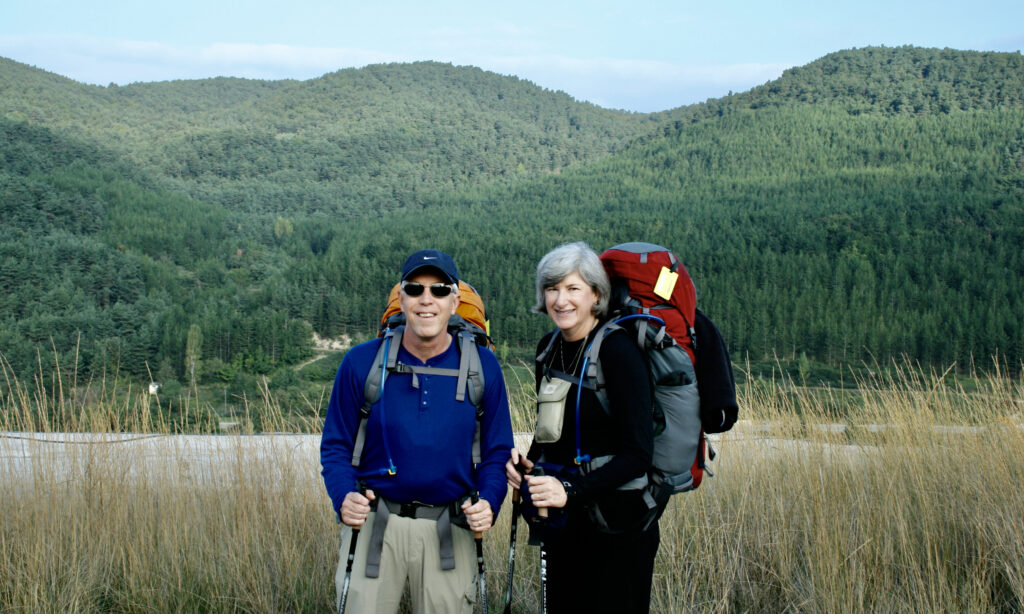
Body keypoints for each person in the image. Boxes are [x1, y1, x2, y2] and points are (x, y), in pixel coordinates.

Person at [321, 249, 514, 613]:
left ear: (455, 301)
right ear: (402, 297)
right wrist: (343, 495)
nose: (427, 300)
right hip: (374, 526)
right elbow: (335, 446)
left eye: (440, 290)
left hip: (450, 527)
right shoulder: (361, 362)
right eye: (415, 289)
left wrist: (489, 501)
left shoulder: (482, 366)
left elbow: (497, 452)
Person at [506, 241, 659, 613]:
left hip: (618, 528)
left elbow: (638, 454)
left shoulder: (618, 352)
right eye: (552, 288)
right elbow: (553, 436)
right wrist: (527, 464)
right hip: (565, 524)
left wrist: (570, 489)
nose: (561, 300)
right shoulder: (550, 348)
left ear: (596, 294)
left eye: (573, 288)